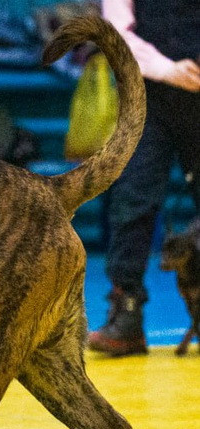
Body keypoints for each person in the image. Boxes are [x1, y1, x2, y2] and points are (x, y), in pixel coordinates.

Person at [87, 0, 200, 356]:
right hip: (148, 100)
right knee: (132, 200)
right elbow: (117, 32)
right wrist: (166, 69)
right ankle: (126, 313)